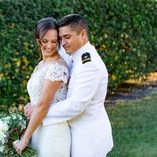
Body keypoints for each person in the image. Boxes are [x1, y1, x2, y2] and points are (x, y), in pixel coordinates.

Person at [26, 14, 113, 157]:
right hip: (69, 131)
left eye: (67, 37)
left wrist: (40, 110)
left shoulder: (89, 64)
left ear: (83, 34)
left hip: (87, 137)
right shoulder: (73, 54)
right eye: (61, 38)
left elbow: (76, 105)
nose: (63, 43)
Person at [13, 17, 71, 157]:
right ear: (38, 40)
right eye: (45, 41)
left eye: (54, 41)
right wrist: (30, 105)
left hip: (53, 131)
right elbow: (40, 98)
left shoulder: (57, 67)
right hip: (38, 128)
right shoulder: (42, 64)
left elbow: (43, 105)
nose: (50, 46)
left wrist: (24, 139)